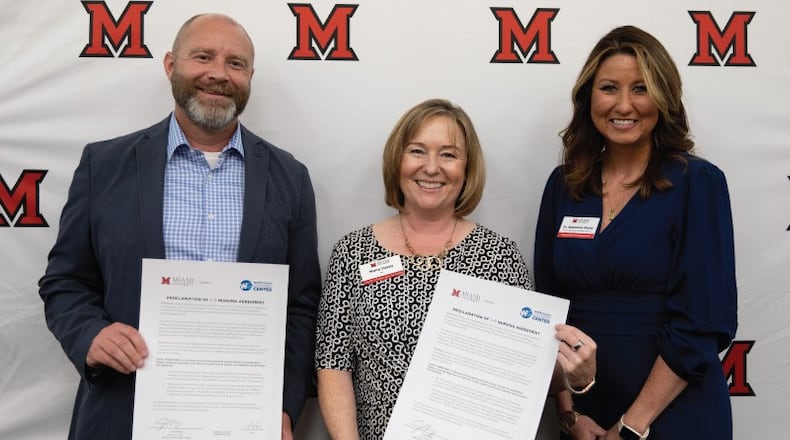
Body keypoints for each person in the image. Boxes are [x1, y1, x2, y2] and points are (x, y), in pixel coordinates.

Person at [38, 14, 321, 440]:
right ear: (171, 65)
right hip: (123, 413)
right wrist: (90, 334)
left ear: (250, 77)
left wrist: (283, 407)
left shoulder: (290, 177)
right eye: (203, 56)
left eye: (236, 64)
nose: (218, 74)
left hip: (243, 420)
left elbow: (301, 306)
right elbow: (65, 280)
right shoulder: (105, 166)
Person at [315, 98, 597, 439]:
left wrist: (577, 377)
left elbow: (528, 369)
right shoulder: (352, 252)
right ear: (396, 160)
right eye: (417, 151)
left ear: (467, 168)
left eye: (448, 154)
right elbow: (333, 363)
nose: (431, 167)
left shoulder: (499, 255)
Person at [534, 26, 737, 439]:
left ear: (663, 98)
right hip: (586, 411)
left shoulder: (697, 183)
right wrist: (570, 412)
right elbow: (549, 311)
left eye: (641, 88)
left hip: (674, 412)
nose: (624, 104)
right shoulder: (565, 185)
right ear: (589, 97)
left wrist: (632, 425)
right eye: (609, 88)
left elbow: (702, 322)